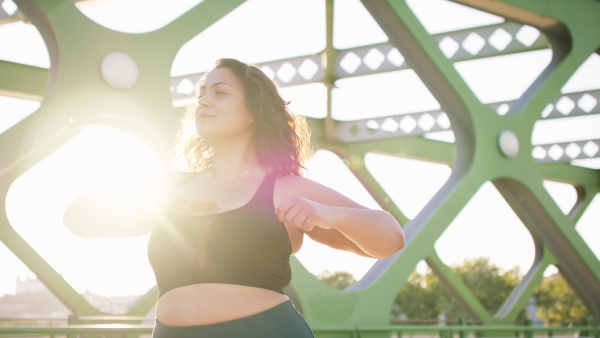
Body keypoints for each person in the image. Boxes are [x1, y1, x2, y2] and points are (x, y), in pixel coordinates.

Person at [64, 58, 404, 337]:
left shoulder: (285, 187)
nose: (204, 101)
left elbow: (391, 238)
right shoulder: (168, 187)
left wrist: (327, 215)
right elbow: (77, 219)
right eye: (201, 94)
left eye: (220, 92)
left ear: (254, 109)